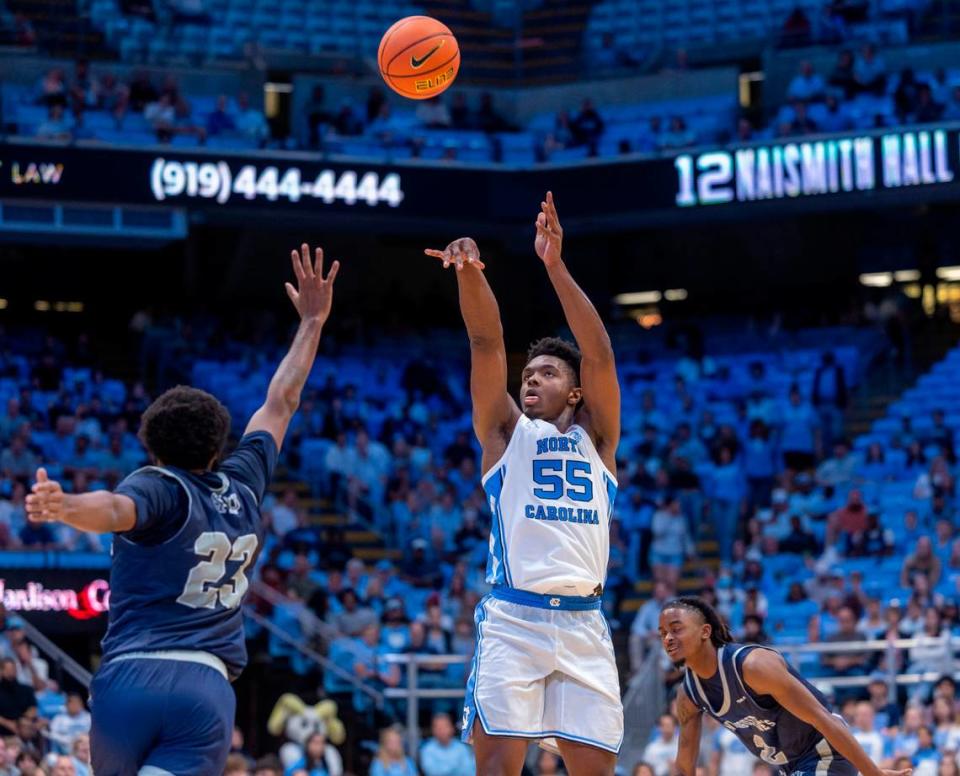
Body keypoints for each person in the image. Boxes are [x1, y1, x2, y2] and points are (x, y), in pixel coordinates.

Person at [24, 244, 340, 775]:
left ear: (154, 448)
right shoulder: (244, 481)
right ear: (218, 447)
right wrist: (312, 321)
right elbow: (282, 399)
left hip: (129, 680)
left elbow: (114, 508)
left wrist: (65, 506)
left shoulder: (159, 486)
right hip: (203, 686)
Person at [425, 191, 622, 774]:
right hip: (515, 621)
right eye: (528, 373)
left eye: (548, 372)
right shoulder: (506, 434)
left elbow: (601, 354)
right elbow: (485, 343)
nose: (532, 380)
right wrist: (468, 273)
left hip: (584, 622)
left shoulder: (600, 441)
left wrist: (554, 266)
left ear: (576, 390)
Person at [659, 596, 911, 776]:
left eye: (676, 629)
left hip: (825, 751)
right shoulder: (688, 695)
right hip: (788, 767)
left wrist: (872, 772)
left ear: (705, 631)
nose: (668, 638)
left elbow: (824, 719)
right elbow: (684, 767)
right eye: (662, 633)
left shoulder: (753, 666)